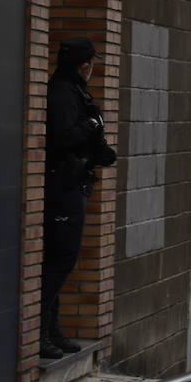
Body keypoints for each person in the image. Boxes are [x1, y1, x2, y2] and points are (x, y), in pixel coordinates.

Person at [41, 37, 116, 360]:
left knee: (59, 260)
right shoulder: (63, 93)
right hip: (63, 187)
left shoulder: (72, 91)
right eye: (92, 63)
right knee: (60, 260)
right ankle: (40, 333)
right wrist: (89, 125)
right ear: (85, 65)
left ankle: (51, 330)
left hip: (72, 184)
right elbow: (63, 137)